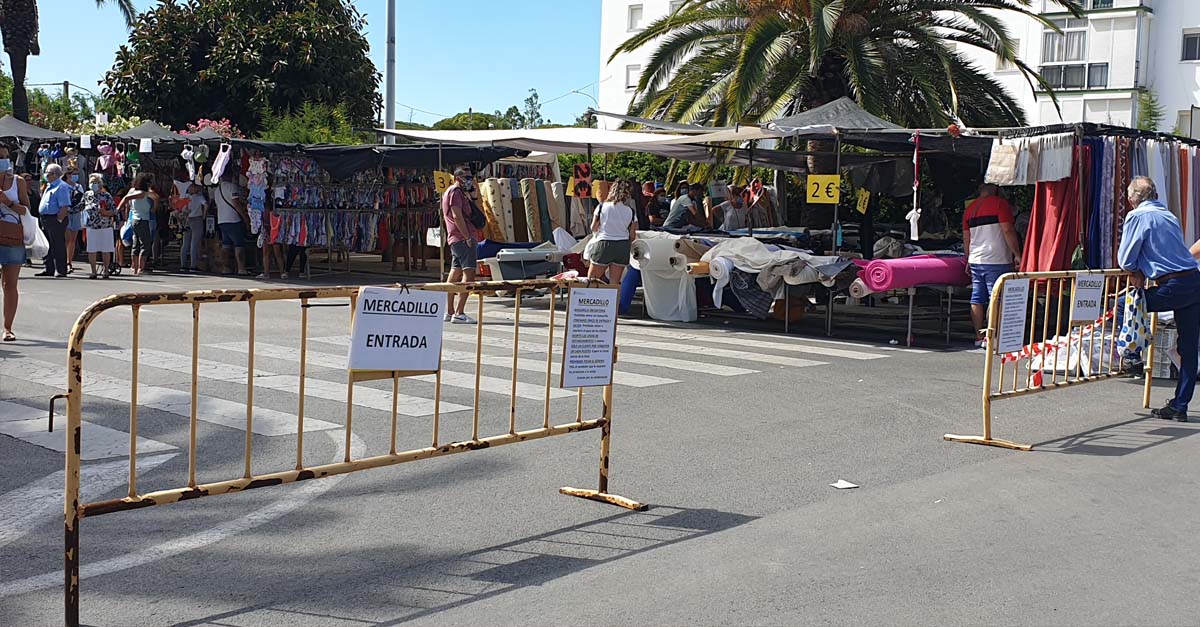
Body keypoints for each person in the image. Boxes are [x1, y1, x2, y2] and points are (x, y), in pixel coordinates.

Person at [1118, 176, 1200, 422]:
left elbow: (1125, 258)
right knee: (1189, 349)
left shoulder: (1138, 216)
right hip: (1193, 281)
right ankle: (1179, 405)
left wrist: (1137, 270)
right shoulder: (1169, 215)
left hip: (1173, 284)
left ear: (1132, 199)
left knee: (1125, 304)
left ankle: (1132, 355)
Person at [963, 183, 1022, 347]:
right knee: (995, 298)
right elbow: (1008, 230)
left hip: (976, 259)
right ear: (996, 188)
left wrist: (968, 258)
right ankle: (992, 337)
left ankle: (978, 336)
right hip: (997, 258)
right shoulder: (1000, 204)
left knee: (977, 298)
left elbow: (966, 238)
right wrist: (1017, 254)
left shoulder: (970, 209)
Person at [441, 167, 481, 324]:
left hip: (456, 238)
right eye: (467, 177)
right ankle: (459, 312)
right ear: (458, 178)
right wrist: (467, 237)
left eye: (471, 177)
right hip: (463, 238)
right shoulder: (456, 193)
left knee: (455, 272)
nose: (470, 180)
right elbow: (457, 215)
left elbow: (473, 209)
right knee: (469, 274)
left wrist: (473, 195)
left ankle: (450, 311)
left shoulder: (456, 192)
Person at [0, 144, 31, 340]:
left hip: (12, 237)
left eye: (4, 156)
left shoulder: (17, 181)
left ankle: (8, 328)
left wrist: (8, 202)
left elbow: (26, 210)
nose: (2, 160)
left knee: (9, 284)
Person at [587, 179, 637, 286]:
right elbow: (632, 235)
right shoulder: (631, 211)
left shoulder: (602, 207)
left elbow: (593, 227)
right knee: (614, 283)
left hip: (604, 244)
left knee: (592, 279)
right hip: (622, 246)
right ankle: (614, 298)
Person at [116, 173, 156, 276]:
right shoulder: (142, 193)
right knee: (145, 244)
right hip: (142, 219)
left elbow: (127, 200)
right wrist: (117, 209)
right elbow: (126, 198)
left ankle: (135, 267)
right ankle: (140, 268)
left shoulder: (132, 190)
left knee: (136, 243)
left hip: (134, 219)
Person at [36, 163, 71, 278]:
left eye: (48, 173)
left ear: (55, 174)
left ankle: (60, 269)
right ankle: (49, 268)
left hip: (55, 219)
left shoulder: (61, 186)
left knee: (57, 244)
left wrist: (59, 219)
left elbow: (64, 206)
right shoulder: (49, 185)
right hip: (45, 218)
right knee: (46, 244)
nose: (46, 175)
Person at [213, 170, 251, 276]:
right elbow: (236, 203)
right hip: (233, 219)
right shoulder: (232, 187)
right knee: (239, 244)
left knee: (226, 244)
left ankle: (226, 268)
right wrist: (245, 217)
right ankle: (241, 268)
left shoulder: (217, 190)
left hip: (222, 219)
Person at [83, 174, 116, 279]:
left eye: (95, 182)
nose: (93, 184)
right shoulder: (87, 195)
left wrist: (106, 212)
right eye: (91, 182)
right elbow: (81, 205)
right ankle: (93, 271)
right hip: (91, 226)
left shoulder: (106, 196)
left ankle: (106, 271)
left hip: (105, 226)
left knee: (106, 249)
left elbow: (114, 210)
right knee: (92, 249)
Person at [178, 182, 207, 272]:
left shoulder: (185, 197)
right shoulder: (199, 197)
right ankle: (193, 265)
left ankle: (183, 265)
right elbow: (206, 204)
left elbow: (180, 208)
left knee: (185, 243)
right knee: (194, 242)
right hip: (197, 218)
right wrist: (204, 215)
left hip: (187, 219)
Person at [63, 166, 85, 274]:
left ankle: (69, 261)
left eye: (77, 174)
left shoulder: (79, 187)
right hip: (66, 213)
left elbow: (83, 200)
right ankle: (63, 260)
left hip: (76, 213)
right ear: (68, 175)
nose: (75, 176)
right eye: (73, 174)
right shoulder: (63, 186)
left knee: (73, 239)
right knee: (66, 239)